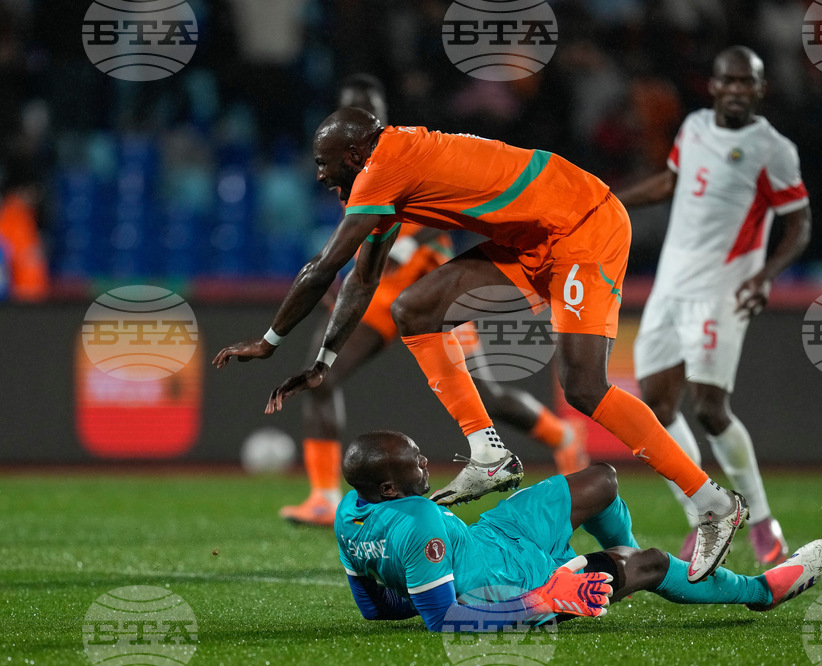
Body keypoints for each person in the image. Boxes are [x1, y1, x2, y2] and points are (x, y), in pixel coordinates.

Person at [214, 107, 749, 583]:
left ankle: (712, 502)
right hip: (533, 236)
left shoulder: (382, 170)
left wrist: (268, 341)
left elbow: (322, 267)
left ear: (356, 154)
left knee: (585, 387)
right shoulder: (382, 180)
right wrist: (322, 360)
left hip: (582, 223)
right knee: (414, 309)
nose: (319, 173)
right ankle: (488, 452)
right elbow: (360, 279)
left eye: (325, 161)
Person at [283, 74, 589, 527]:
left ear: (380, 110)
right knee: (321, 374)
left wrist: (409, 246)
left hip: (427, 286)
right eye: (351, 104)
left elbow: (444, 211)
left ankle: (561, 434)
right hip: (378, 290)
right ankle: (324, 496)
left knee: (490, 396)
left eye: (369, 104)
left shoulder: (405, 149)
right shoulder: (347, 160)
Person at [616, 46, 812, 566]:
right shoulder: (695, 127)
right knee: (656, 407)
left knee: (708, 406)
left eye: (746, 82)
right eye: (728, 81)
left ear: (760, 88)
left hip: (725, 290)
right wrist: (616, 200)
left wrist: (767, 275)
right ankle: (704, 515)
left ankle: (764, 520)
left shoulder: (774, 149)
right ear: (714, 85)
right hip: (670, 286)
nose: (736, 90)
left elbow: (800, 223)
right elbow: (673, 184)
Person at [334, 430, 822, 632]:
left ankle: (624, 556)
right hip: (517, 582)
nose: (425, 463)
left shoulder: (346, 517)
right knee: (656, 564)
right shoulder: (418, 522)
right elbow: (445, 621)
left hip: (493, 535)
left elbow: (372, 606)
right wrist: (543, 601)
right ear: (388, 488)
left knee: (601, 482)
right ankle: (761, 592)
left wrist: (420, 588)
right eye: (414, 464)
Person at [0, 161, 49, 302]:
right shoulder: (9, 216)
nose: (35, 197)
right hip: (17, 296)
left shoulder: (26, 216)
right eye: (31, 191)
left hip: (36, 292)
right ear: (21, 190)